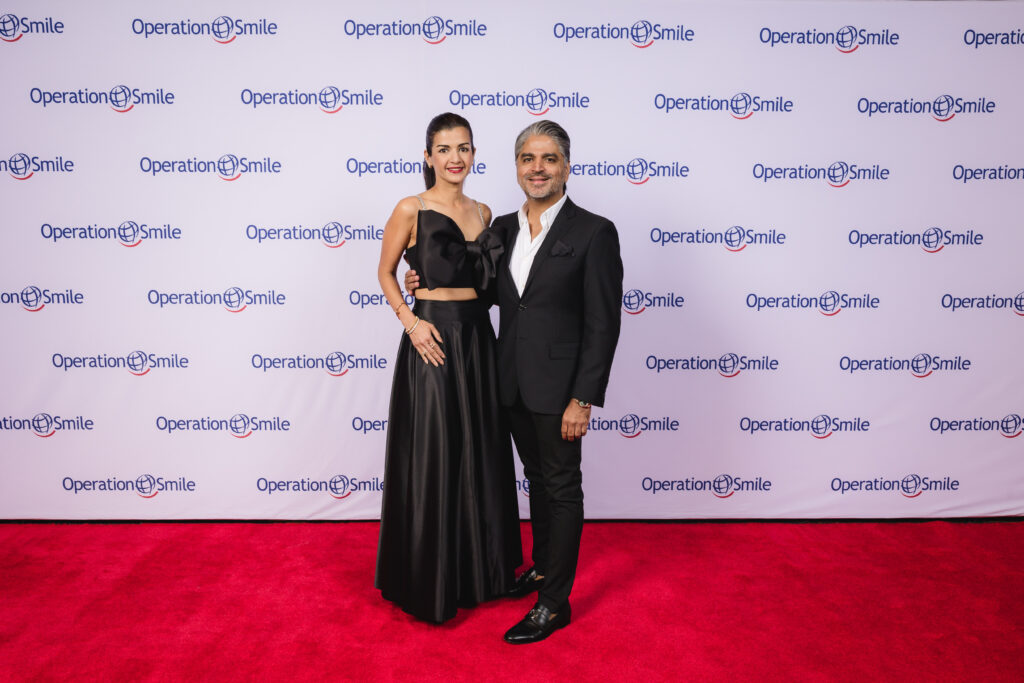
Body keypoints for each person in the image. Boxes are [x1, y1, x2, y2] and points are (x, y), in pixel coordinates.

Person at [407, 120, 623, 643]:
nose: (538, 168)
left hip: (561, 390)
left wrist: (583, 398)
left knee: (562, 487)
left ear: (566, 166)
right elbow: (478, 287)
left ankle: (554, 604)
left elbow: (603, 322)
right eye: (528, 158)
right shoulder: (499, 227)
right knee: (537, 482)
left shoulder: (594, 231)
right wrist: (421, 280)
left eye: (548, 159)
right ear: (517, 166)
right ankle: (543, 568)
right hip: (505, 382)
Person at [375, 112, 521, 624]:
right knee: (436, 454)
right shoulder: (410, 207)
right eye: (444, 149)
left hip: (480, 338)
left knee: (481, 452)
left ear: (474, 155)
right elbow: (385, 272)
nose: (455, 158)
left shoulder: (485, 211)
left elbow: (493, 281)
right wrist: (410, 323)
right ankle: (427, 580)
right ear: (428, 156)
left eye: (464, 148)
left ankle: (483, 573)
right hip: (432, 337)